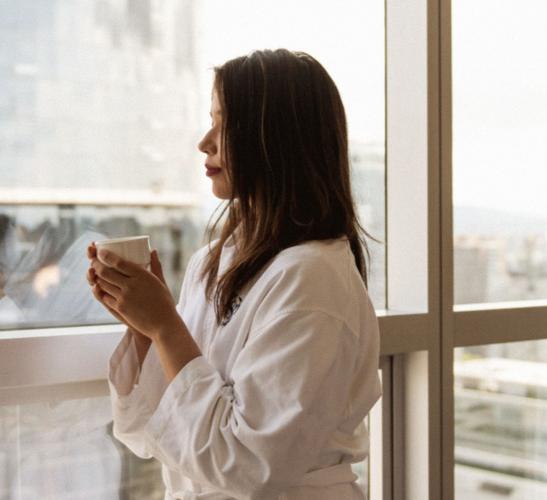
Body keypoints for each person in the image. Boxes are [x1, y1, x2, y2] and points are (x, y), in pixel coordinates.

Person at [87, 49, 381, 500]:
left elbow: (251, 466)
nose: (205, 142)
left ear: (277, 138)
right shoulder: (214, 260)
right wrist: (143, 326)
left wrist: (165, 326)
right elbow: (150, 432)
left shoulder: (313, 277)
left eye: (224, 125)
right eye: (211, 121)